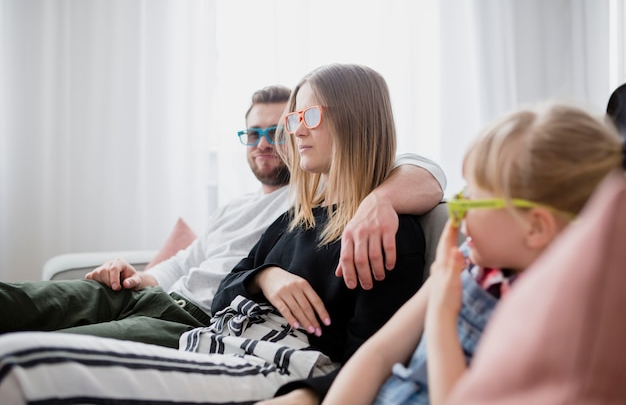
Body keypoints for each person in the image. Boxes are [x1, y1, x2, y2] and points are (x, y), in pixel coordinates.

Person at [0, 63, 428, 404]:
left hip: (254, 352)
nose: (293, 131)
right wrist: (266, 276)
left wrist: (379, 201)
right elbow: (227, 284)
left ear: (356, 120)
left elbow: (367, 356)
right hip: (213, 332)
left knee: (19, 359)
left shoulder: (381, 229)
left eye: (306, 116)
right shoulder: (296, 216)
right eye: (294, 118)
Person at [322, 102, 624, 405]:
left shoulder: (556, 320)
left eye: (472, 199)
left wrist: (442, 312)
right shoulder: (467, 260)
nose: (457, 212)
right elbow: (379, 353)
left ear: (535, 228)